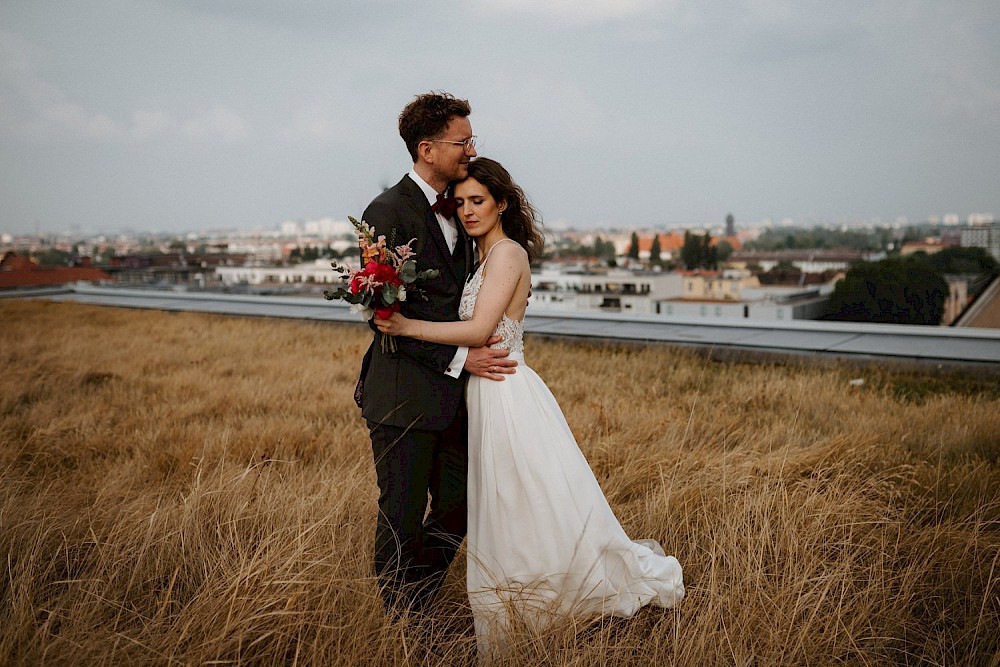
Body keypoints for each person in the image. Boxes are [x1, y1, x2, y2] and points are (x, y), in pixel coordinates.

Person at [375, 158, 685, 656]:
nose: (469, 210)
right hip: (483, 392)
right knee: (506, 509)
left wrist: (407, 326)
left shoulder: (507, 254)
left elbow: (479, 332)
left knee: (524, 505)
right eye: (461, 202)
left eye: (479, 201)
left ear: (501, 203)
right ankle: (520, 607)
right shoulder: (479, 258)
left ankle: (544, 604)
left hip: (507, 393)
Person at [358, 93, 517, 614]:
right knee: (401, 518)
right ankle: (403, 625)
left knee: (458, 508)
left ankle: (414, 599)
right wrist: (460, 359)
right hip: (402, 395)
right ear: (427, 148)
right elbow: (386, 320)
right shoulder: (385, 212)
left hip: (456, 401)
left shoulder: (464, 208)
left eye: (472, 139)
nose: (471, 148)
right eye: (462, 141)